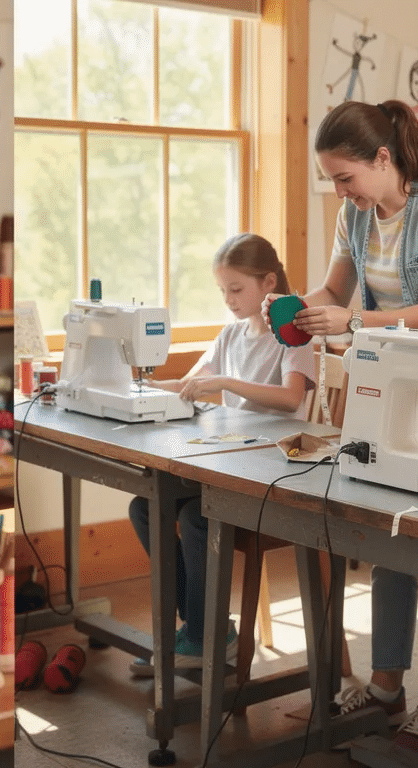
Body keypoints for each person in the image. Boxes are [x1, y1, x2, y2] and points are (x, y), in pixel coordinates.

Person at [263, 99, 418, 758]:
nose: (340, 190)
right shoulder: (356, 215)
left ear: (383, 158)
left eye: (345, 177)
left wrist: (356, 323)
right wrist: (295, 309)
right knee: (388, 537)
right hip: (396, 382)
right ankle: (386, 685)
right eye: (334, 180)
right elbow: (335, 291)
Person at [126, 234, 315, 675]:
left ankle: (201, 636)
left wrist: (226, 384)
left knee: (195, 518)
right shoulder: (231, 335)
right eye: (222, 291)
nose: (228, 300)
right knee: (145, 507)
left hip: (273, 469)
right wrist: (138, 386)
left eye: (236, 289)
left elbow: (290, 399)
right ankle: (204, 630)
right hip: (231, 464)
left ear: (268, 282)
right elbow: (192, 384)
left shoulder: (293, 334)